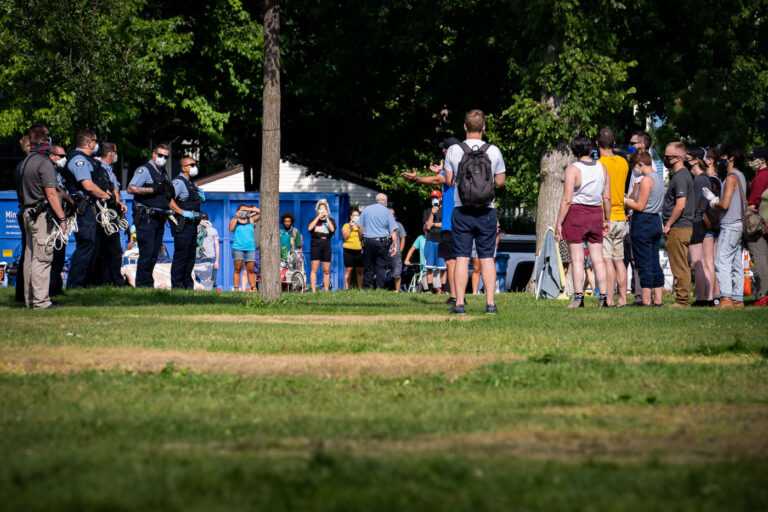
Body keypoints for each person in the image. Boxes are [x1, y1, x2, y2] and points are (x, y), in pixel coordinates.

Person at [444, 110, 506, 314]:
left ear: (464, 127)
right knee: (487, 258)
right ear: (484, 128)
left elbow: (449, 180)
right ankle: (490, 304)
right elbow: (500, 181)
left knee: (462, 258)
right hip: (487, 211)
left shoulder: (454, 150)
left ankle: (460, 304)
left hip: (462, 210)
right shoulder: (494, 151)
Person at [402, 136, 462, 306]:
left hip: (450, 223)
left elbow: (438, 180)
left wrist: (418, 179)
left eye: (445, 149)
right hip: (462, 221)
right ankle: (459, 295)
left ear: (449, 151)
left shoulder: (449, 171)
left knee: (451, 262)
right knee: (460, 260)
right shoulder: (463, 167)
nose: (442, 151)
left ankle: (455, 297)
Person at [554, 133, 611, 308]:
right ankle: (604, 298)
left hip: (577, 214)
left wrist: (558, 223)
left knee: (577, 259)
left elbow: (567, 199)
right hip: (596, 213)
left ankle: (578, 298)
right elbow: (607, 197)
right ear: (590, 148)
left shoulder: (573, 169)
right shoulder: (602, 168)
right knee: (598, 259)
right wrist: (607, 219)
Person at [19, 124, 67, 309]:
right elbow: (52, 194)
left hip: (28, 212)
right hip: (41, 216)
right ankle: (41, 302)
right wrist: (62, 218)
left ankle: (30, 300)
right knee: (42, 258)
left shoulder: (27, 161)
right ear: (45, 139)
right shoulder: (43, 162)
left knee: (30, 259)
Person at [62, 129, 113, 289]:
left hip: (93, 210)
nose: (97, 145)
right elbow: (88, 186)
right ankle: (75, 284)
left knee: (94, 246)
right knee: (86, 245)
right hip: (84, 209)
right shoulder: (79, 160)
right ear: (89, 143)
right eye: (95, 141)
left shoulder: (89, 160)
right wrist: (106, 197)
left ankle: (89, 283)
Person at [127, 144, 179, 288]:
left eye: (166, 157)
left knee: (154, 253)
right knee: (147, 252)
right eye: (160, 155)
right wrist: (151, 189)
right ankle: (142, 285)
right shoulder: (145, 170)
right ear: (154, 154)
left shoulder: (163, 172)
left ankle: (147, 284)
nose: (163, 159)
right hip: (146, 217)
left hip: (159, 218)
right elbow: (131, 188)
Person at [703, 145, 748, 308]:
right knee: (736, 262)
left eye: (724, 156)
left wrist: (713, 201)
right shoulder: (741, 176)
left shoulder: (730, 177)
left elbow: (725, 204)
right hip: (739, 224)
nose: (721, 158)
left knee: (720, 261)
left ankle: (726, 298)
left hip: (730, 224)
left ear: (731, 158)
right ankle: (737, 298)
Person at [623, 150, 665, 306]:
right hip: (655, 220)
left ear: (640, 164)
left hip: (643, 222)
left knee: (643, 262)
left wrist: (626, 202)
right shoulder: (659, 178)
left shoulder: (646, 180)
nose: (635, 170)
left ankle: (646, 300)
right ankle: (658, 300)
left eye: (635, 166)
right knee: (654, 262)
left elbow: (640, 206)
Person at [597, 128, 628, 306]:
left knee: (606, 259)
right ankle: (622, 298)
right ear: (614, 144)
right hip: (621, 216)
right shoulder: (623, 162)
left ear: (597, 144)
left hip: (605, 217)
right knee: (619, 260)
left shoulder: (599, 164)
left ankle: (608, 298)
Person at [661, 142, 695, 307]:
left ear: (678, 158)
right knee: (681, 264)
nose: (665, 159)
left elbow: (680, 204)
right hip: (681, 226)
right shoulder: (682, 175)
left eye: (667, 157)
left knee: (679, 265)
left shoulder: (681, 177)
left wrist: (668, 225)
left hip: (679, 227)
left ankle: (682, 300)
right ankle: (682, 298)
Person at [95, 142, 128, 287]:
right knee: (114, 249)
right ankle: (115, 280)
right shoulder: (100, 168)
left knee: (110, 249)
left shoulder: (109, 170)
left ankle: (108, 280)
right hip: (105, 212)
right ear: (111, 153)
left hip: (113, 211)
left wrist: (120, 206)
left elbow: (115, 189)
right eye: (116, 152)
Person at [686, 147, 716, 306]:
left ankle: (702, 299)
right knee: (703, 263)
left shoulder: (700, 180)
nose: (686, 160)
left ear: (696, 160)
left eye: (689, 158)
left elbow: (694, 205)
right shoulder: (703, 178)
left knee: (696, 263)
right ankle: (708, 298)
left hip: (697, 223)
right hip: (700, 223)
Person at [170, 157, 205, 289]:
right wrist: (182, 212)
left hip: (192, 225)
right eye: (192, 165)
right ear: (184, 168)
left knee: (190, 257)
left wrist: (200, 198)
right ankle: (177, 286)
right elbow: (169, 200)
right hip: (182, 224)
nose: (195, 167)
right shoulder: (178, 183)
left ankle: (187, 285)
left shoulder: (191, 183)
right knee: (181, 256)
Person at [47, 144, 74, 296]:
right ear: (52, 156)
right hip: (54, 218)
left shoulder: (58, 171)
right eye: (61, 156)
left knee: (60, 254)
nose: (64, 159)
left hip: (60, 216)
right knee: (54, 254)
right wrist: (70, 200)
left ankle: (56, 286)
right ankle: (51, 288)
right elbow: (57, 191)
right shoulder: (49, 171)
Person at [358, 193, 398, 290]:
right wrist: (395, 246)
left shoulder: (367, 209)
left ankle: (367, 288)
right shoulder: (387, 212)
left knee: (368, 267)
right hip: (382, 243)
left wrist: (361, 238)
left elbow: (359, 226)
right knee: (381, 267)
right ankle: (380, 288)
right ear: (385, 201)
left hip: (368, 242)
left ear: (376, 200)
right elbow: (392, 231)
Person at [13, 127, 33, 303]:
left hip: (24, 210)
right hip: (29, 211)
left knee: (29, 253)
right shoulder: (26, 166)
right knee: (30, 254)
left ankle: (24, 293)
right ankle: (24, 293)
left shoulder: (23, 166)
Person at [746, 147, 768, 306]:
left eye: (753, 158)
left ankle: (763, 294)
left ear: (762, 160)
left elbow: (753, 203)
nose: (750, 162)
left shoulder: (761, 176)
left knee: (759, 256)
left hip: (759, 224)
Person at [229, 204, 260, 291]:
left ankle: (253, 288)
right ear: (237, 212)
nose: (243, 212)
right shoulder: (234, 220)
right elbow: (231, 229)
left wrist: (249, 209)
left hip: (250, 248)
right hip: (238, 248)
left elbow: (261, 212)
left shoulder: (251, 220)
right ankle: (236, 288)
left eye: (244, 211)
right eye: (241, 211)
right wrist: (236, 217)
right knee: (237, 269)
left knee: (250, 270)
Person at [308, 199, 336, 292]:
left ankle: (326, 290)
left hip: (326, 244)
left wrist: (326, 218)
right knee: (314, 268)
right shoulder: (313, 220)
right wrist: (318, 217)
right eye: (320, 210)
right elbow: (310, 228)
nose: (322, 212)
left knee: (326, 270)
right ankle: (313, 290)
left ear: (327, 211)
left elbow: (332, 230)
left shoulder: (331, 220)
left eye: (324, 210)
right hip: (315, 244)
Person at [423, 190, 446, 293]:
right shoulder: (427, 211)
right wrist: (432, 214)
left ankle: (444, 289)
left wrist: (433, 224)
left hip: (442, 240)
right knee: (429, 266)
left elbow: (445, 224)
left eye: (436, 197)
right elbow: (427, 226)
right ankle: (429, 289)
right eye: (432, 197)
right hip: (430, 241)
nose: (434, 199)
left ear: (441, 198)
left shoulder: (445, 210)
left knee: (442, 267)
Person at [341, 208, 364, 289]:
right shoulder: (346, 225)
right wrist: (350, 228)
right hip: (348, 250)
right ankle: (347, 289)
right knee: (348, 270)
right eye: (353, 215)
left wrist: (359, 228)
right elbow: (345, 237)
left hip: (359, 249)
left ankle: (360, 288)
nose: (355, 217)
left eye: (357, 215)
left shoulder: (362, 226)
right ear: (350, 217)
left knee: (359, 270)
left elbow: (362, 236)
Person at [197, 213, 220, 288]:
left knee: (212, 279)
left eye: (205, 219)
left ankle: (213, 294)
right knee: (198, 278)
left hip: (210, 257)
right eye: (202, 219)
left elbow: (217, 246)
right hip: (198, 258)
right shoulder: (197, 229)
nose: (204, 221)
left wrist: (217, 261)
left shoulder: (213, 230)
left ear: (208, 220)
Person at [389, 207, 407, 291]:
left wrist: (400, 251)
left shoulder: (398, 225)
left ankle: (397, 290)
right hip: (384, 251)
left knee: (397, 272)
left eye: (393, 214)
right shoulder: (382, 225)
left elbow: (403, 238)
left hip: (396, 251)